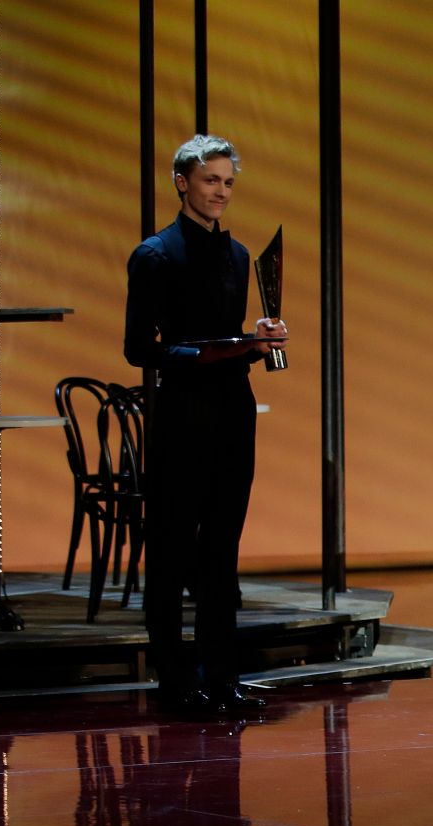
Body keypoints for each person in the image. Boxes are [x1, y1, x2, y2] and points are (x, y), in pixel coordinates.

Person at [125, 133, 287, 718]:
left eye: (227, 182)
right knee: (170, 553)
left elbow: (232, 338)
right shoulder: (156, 255)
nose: (220, 192)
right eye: (210, 180)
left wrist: (256, 344)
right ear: (182, 182)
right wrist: (212, 353)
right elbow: (138, 349)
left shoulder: (239, 256)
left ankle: (222, 678)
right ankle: (175, 682)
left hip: (231, 413)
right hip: (180, 414)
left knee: (222, 551)